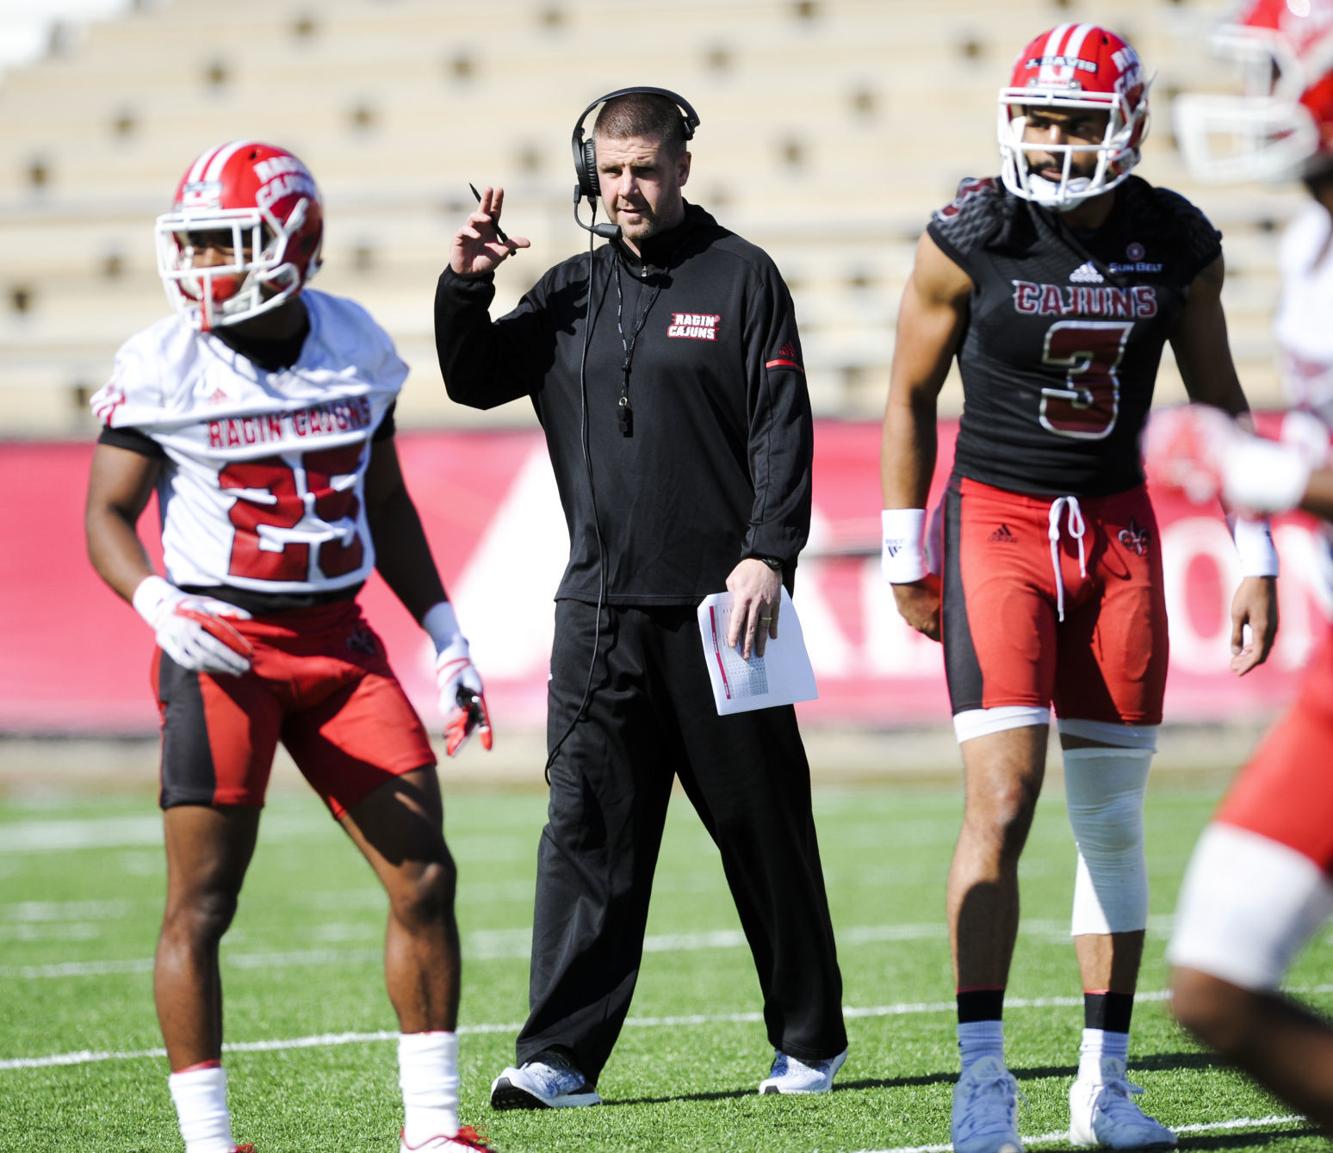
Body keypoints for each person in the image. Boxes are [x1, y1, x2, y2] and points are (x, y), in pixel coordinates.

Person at [879, 24, 1281, 1153]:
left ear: (1128, 127)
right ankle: (982, 1077)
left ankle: (1103, 1088)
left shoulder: (1172, 238)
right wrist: (903, 550)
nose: (1050, 143)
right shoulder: (970, 230)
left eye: (1073, 120)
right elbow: (908, 396)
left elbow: (1218, 398)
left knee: (1108, 818)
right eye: (1038, 117)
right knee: (1000, 802)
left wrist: (1252, 548)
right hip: (997, 524)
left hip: (1116, 534)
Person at [433, 87, 847, 1108]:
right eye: (609, 171)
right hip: (597, 620)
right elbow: (473, 378)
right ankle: (558, 1054)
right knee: (584, 834)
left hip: (724, 615)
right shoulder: (566, 290)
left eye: (643, 169)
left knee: (764, 833)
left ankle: (807, 1040)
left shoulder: (743, 276)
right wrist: (464, 286)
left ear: (681, 168)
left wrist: (768, 555)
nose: (624, 188)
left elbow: (781, 429)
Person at [84, 140, 495, 1153]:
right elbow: (106, 513)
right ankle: (209, 1142)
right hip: (218, 643)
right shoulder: (164, 361)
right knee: (204, 902)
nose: (207, 267)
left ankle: (435, 1130)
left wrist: (445, 636)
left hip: (339, 644)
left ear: (294, 242)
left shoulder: (354, 341)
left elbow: (386, 503)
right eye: (199, 244)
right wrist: (154, 603)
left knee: (425, 876)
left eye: (230, 242)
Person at [1161, 0, 1333, 1131]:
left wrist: (1264, 477)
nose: (1260, 98)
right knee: (1213, 982)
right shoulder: (1311, 235)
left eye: (1279, 72)